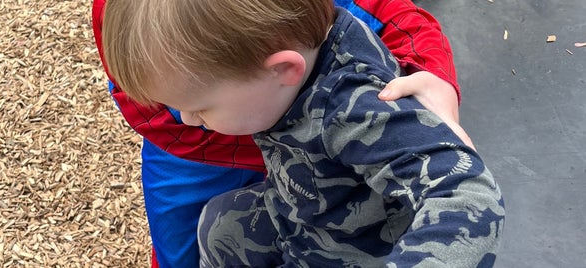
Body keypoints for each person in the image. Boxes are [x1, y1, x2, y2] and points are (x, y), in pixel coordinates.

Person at [101, 0, 505, 267]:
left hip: (359, 248)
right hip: (299, 214)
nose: (187, 120)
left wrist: (432, 76)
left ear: (282, 70)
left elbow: (466, 192)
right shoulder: (274, 61)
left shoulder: (353, 107)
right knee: (219, 223)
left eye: (201, 108)